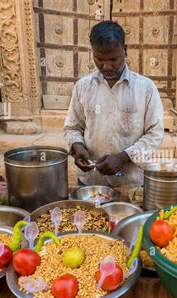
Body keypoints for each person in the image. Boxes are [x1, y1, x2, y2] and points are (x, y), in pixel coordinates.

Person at [64, 21, 164, 187]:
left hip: (129, 183)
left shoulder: (145, 88)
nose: (106, 66)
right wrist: (78, 147)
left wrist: (122, 158)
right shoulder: (83, 86)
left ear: (125, 50)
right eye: (99, 59)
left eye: (113, 59)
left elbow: (155, 134)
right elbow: (72, 128)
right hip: (91, 182)